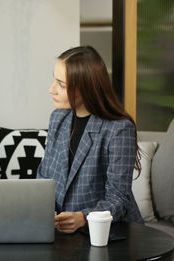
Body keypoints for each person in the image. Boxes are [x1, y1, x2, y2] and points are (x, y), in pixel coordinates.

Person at [37, 46, 143, 234]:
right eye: (55, 80)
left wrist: (83, 217)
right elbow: (45, 177)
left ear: (86, 88)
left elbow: (118, 199)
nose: (51, 89)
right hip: (62, 232)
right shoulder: (58, 118)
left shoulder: (119, 129)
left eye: (61, 84)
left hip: (110, 234)